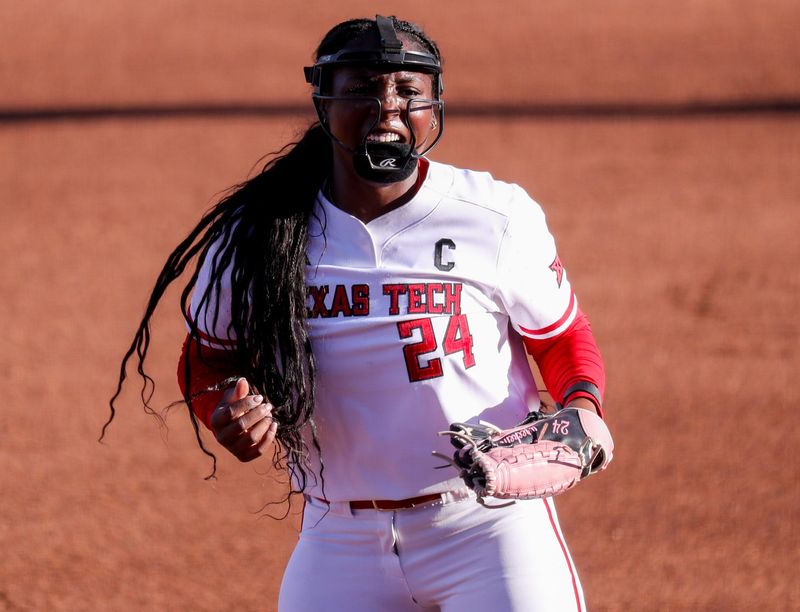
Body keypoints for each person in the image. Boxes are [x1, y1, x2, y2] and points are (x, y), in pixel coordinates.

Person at [108, 15, 610, 612]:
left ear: (435, 103)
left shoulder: (494, 217)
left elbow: (559, 335)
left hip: (489, 528)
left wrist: (582, 403)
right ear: (323, 103)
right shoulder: (258, 235)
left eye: (408, 91)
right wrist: (222, 410)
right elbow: (207, 356)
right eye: (361, 89)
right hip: (339, 538)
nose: (387, 108)